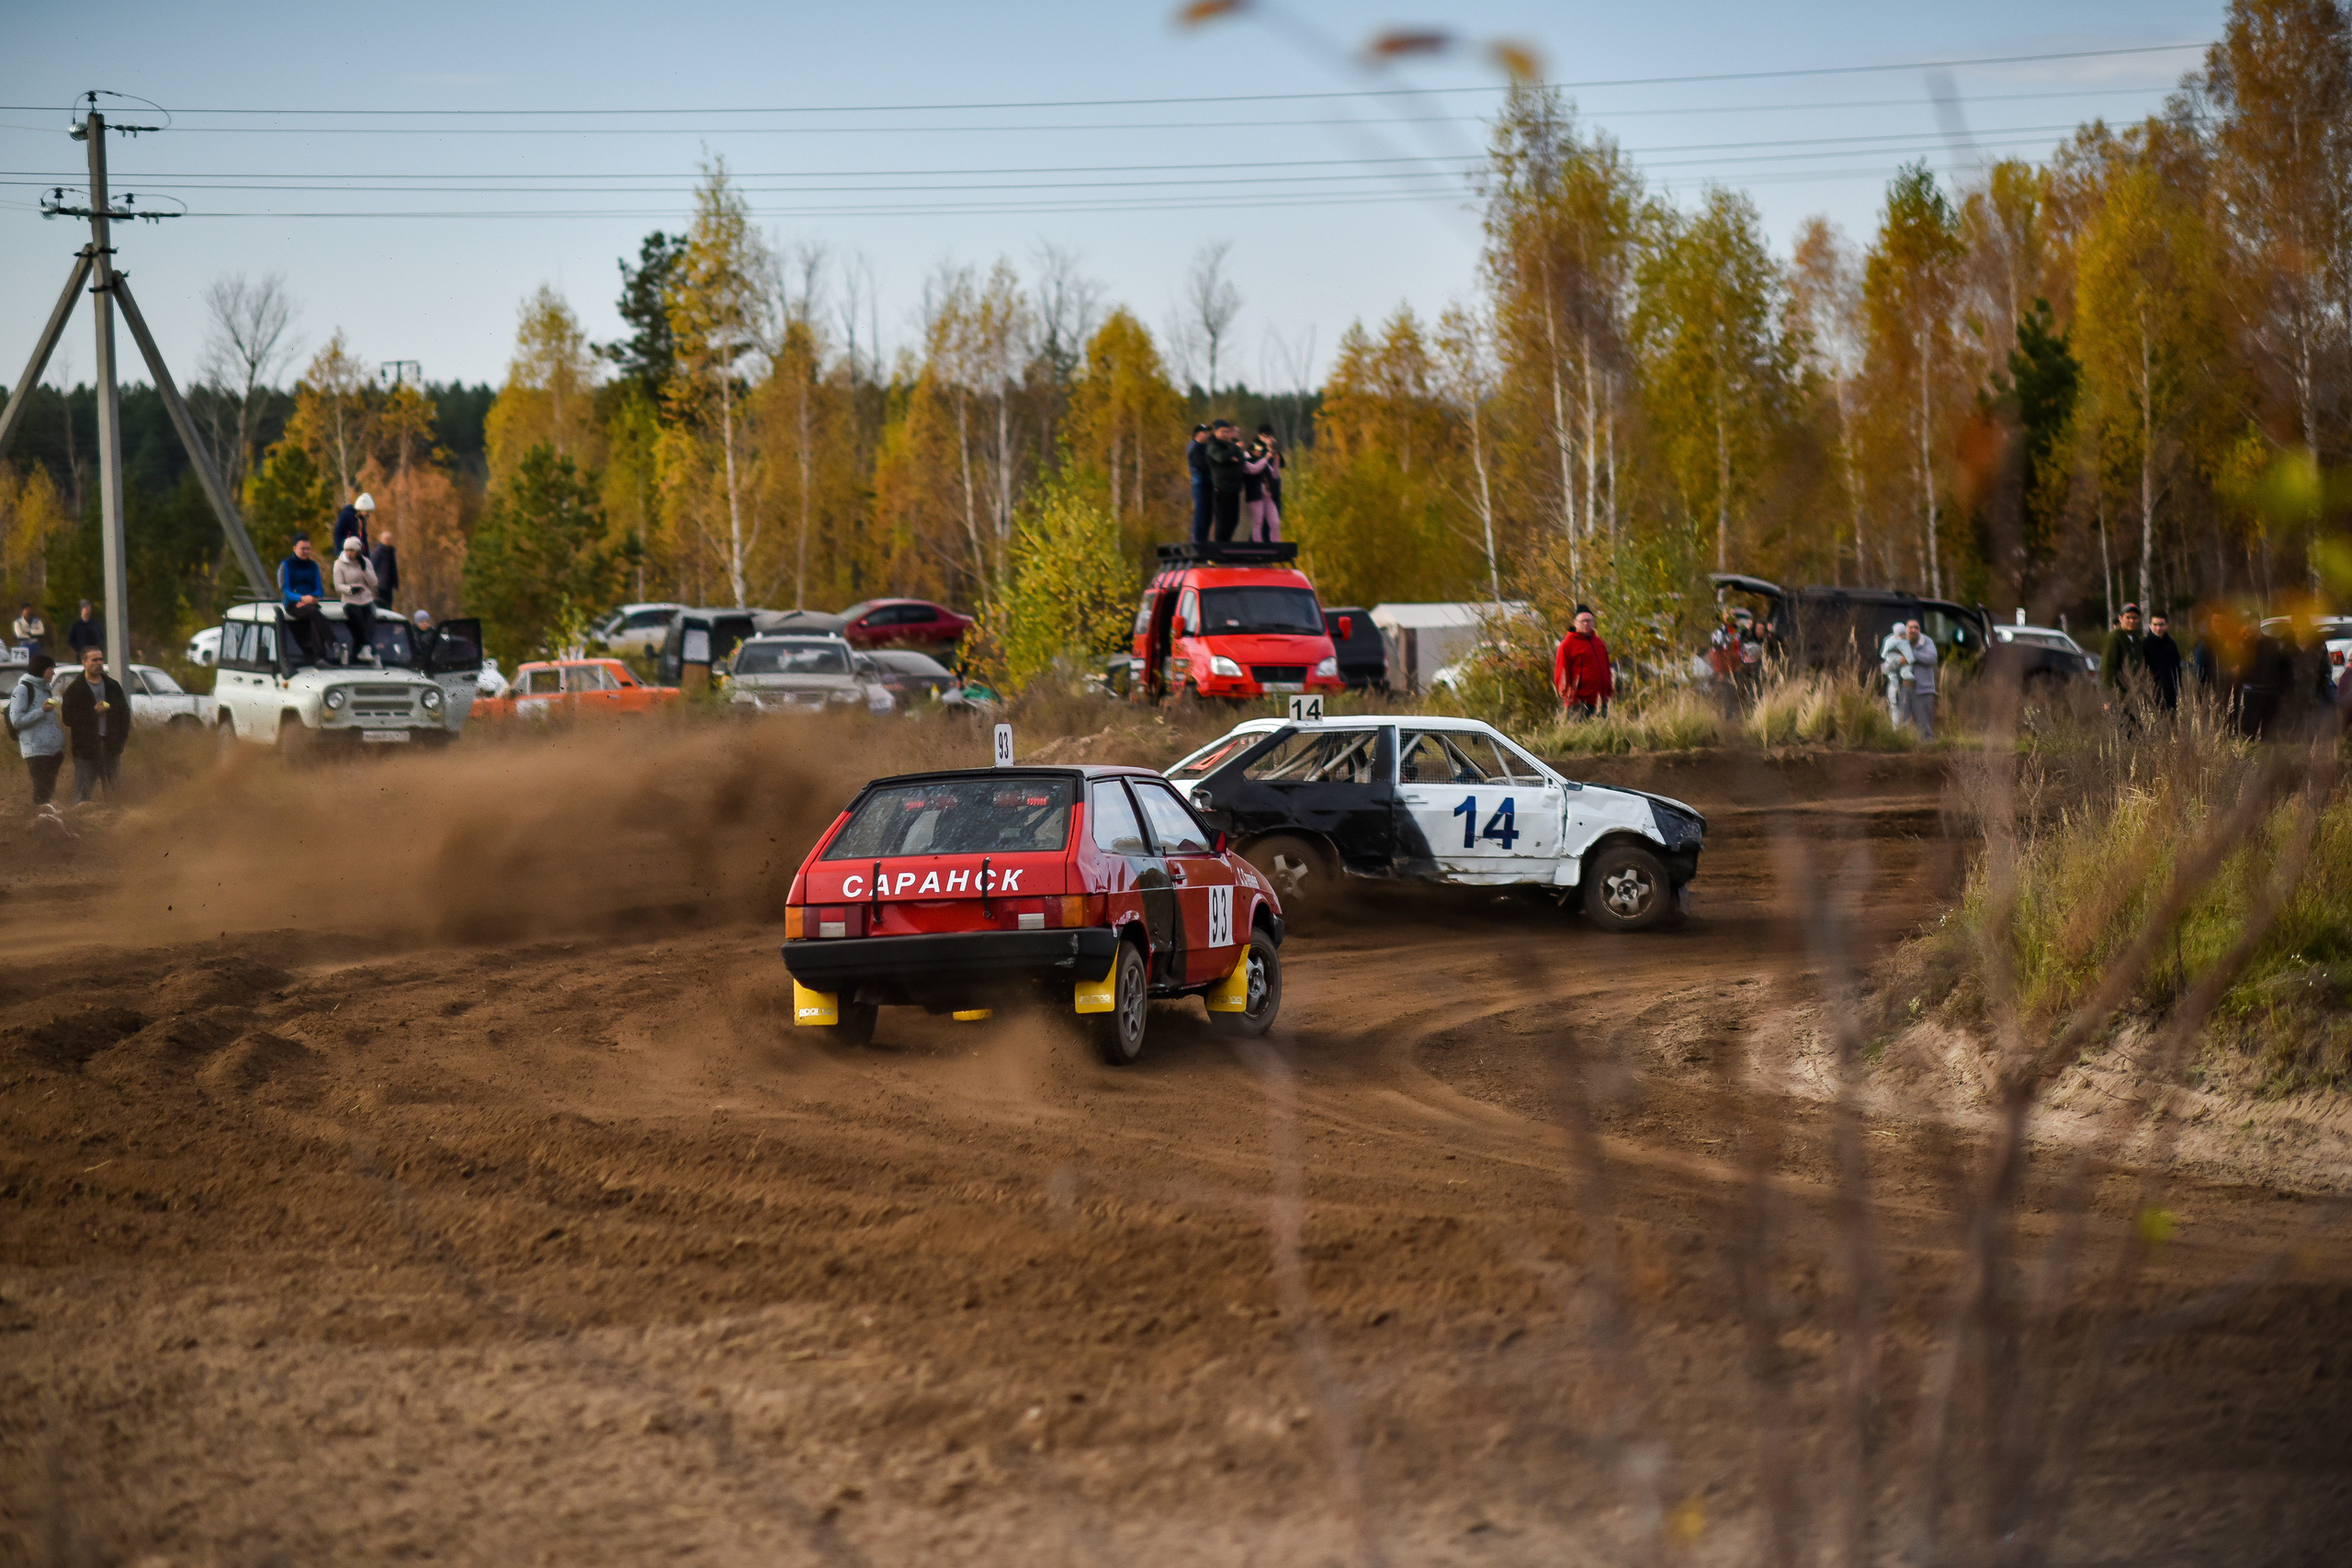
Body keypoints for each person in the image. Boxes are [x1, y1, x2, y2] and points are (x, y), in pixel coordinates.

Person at [59, 645, 128, 804]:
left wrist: (120, 740)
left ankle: (116, 825)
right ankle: (80, 825)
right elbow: (68, 718)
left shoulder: (113, 686)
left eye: (101, 659)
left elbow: (124, 714)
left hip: (111, 746)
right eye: (94, 660)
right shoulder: (75, 689)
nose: (98, 663)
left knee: (114, 792)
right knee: (83, 794)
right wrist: (93, 712)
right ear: (84, 662)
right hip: (86, 749)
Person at [6, 650, 64, 808]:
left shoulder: (45, 688)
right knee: (41, 793)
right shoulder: (22, 689)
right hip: (35, 751)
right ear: (41, 669)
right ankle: (38, 823)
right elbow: (16, 721)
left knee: (48, 792)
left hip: (52, 751)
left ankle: (47, 820)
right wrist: (42, 710)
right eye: (50, 669)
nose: (53, 672)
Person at [1553, 604, 1615, 718]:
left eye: (1589, 621)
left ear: (1593, 622)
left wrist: (1609, 691)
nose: (1586, 624)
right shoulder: (1567, 645)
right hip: (1579, 702)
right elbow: (1561, 674)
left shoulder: (1599, 643)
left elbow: (1607, 668)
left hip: (1601, 701)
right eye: (1583, 621)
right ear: (1575, 623)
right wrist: (1570, 698)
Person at [278, 534, 331, 662]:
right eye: (303, 548)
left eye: (308, 548)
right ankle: (332, 642)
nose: (306, 552)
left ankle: (320, 656)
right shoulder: (286, 565)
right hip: (292, 604)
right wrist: (301, 599)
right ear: (294, 548)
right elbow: (285, 590)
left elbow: (319, 588)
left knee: (313, 615)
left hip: (310, 603)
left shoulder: (313, 566)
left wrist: (312, 598)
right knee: (313, 613)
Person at [334, 534, 380, 663]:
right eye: (347, 550)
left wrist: (364, 568)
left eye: (352, 550)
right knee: (357, 618)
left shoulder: (365, 562)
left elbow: (374, 583)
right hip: (350, 600)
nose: (349, 553)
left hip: (366, 599)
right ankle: (367, 647)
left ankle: (365, 648)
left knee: (370, 618)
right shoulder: (339, 564)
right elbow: (338, 585)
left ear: (358, 551)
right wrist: (350, 590)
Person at [1204, 420, 1249, 542]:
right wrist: (1233, 452)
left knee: (1233, 520)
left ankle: (1227, 545)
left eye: (1227, 432)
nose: (1225, 434)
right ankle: (1220, 547)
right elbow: (1221, 457)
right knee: (1223, 520)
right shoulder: (1213, 446)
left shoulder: (1227, 445)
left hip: (1234, 488)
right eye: (1223, 432)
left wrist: (1232, 455)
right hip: (1222, 488)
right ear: (1216, 432)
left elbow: (1241, 460)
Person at [2100, 604, 2147, 715]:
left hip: (2134, 697)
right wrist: (2111, 697)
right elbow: (2108, 668)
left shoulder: (2137, 640)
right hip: (2119, 698)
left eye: (2135, 618)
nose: (2132, 621)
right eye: (2128, 617)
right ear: (2121, 619)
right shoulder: (2114, 638)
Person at [1244, 426, 1283, 542]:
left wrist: (1275, 461)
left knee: (1275, 522)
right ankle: (1257, 544)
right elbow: (1254, 468)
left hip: (1268, 494)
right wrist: (1266, 458)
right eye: (1257, 450)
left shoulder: (1264, 460)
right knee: (1258, 522)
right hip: (1256, 494)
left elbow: (1274, 475)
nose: (1259, 452)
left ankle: (1275, 544)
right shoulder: (1248, 459)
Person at [1903, 618, 1939, 741]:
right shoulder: (1898, 641)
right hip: (1903, 689)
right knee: (1901, 724)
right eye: (1910, 627)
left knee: (1924, 727)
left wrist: (1911, 655)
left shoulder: (1926, 642)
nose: (1913, 630)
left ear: (1920, 630)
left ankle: (1928, 752)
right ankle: (1903, 749)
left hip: (1923, 690)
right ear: (1905, 629)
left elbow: (1932, 658)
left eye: (1916, 628)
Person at [2143, 611, 2184, 713]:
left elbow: (2177, 669)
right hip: (2151, 694)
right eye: (2155, 624)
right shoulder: (2144, 645)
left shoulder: (2171, 645)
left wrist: (2179, 689)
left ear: (2167, 625)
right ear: (2150, 625)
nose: (2158, 628)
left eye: (2161, 625)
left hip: (2171, 695)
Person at [1879, 618, 1912, 728]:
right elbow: (1885, 667)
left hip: (1910, 684)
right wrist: (1898, 661)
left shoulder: (1909, 643)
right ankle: (1897, 731)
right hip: (1895, 681)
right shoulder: (1889, 643)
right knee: (1895, 706)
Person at [1185, 426, 1213, 545]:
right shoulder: (1194, 447)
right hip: (1199, 484)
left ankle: (1203, 540)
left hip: (1208, 483)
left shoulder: (1205, 447)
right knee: (1201, 511)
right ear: (1198, 434)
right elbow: (1202, 464)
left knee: (1208, 513)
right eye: (1205, 432)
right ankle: (1197, 540)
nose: (1208, 435)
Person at [332, 491, 375, 557]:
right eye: (367, 511)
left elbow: (363, 539)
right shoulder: (347, 515)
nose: (368, 514)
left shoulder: (361, 520)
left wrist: (367, 556)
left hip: (357, 555)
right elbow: (338, 533)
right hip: (346, 553)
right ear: (362, 509)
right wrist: (341, 552)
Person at [370, 528, 401, 611]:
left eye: (390, 539)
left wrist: (395, 582)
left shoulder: (391, 551)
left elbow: (393, 569)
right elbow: (372, 566)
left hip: (389, 584)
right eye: (387, 539)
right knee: (381, 603)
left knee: (388, 604)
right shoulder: (378, 551)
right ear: (381, 539)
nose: (388, 541)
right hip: (381, 584)